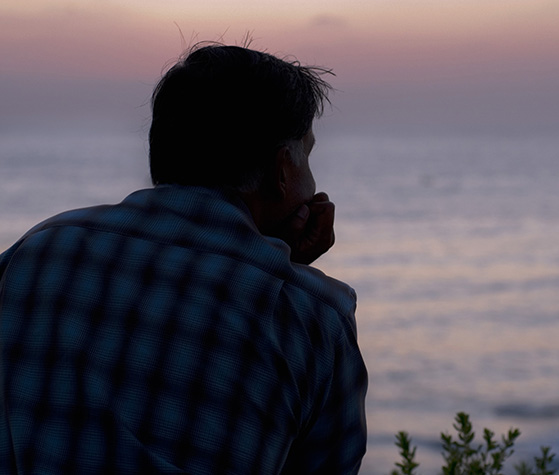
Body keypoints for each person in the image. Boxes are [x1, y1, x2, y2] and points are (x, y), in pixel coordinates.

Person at [0, 43, 367, 474]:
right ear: (282, 169)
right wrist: (289, 274)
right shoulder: (313, 316)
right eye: (308, 155)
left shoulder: (38, 252)